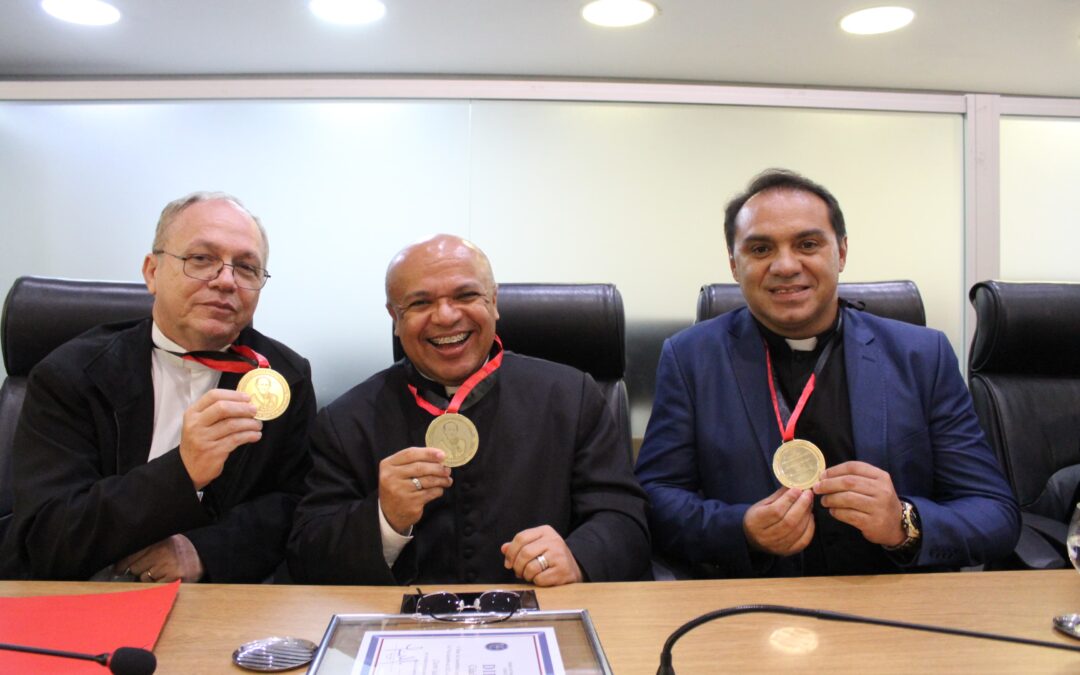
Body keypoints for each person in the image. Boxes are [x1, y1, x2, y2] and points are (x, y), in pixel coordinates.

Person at [635, 169, 1020, 578]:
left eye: (807, 244)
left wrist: (903, 523)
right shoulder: (691, 357)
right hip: (753, 604)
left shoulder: (922, 356)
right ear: (734, 265)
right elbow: (653, 501)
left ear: (841, 252)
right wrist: (740, 529)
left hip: (892, 602)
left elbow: (993, 513)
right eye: (761, 249)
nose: (785, 265)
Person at [288, 234, 650, 586]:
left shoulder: (572, 396)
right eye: (420, 303)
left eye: (466, 295)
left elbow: (626, 520)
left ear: (493, 302)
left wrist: (578, 556)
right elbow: (305, 556)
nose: (445, 317)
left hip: (544, 613)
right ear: (394, 318)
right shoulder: (345, 421)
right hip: (406, 628)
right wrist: (384, 519)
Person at [4, 192, 315, 582]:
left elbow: (293, 507)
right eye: (201, 259)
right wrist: (183, 471)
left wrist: (201, 552)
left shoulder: (285, 377)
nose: (225, 280)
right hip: (79, 590)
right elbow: (46, 535)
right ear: (152, 272)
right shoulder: (70, 373)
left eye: (247, 268)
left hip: (215, 599)